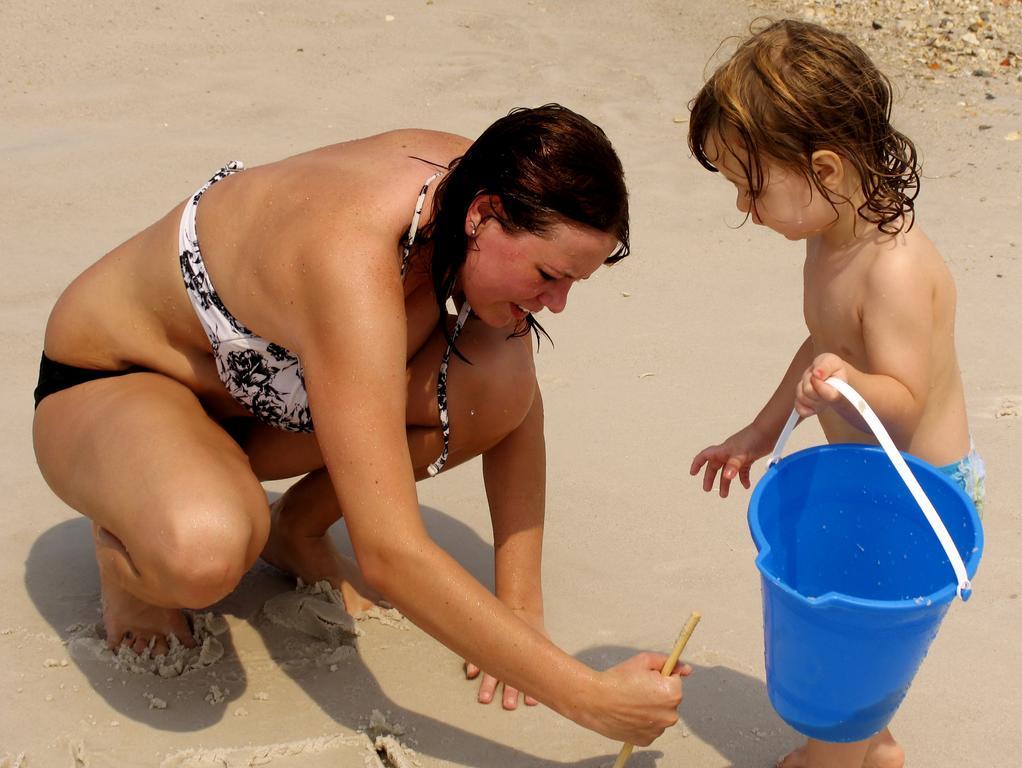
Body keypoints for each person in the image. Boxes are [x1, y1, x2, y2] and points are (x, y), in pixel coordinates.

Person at [32, 104, 690, 745]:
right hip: (119, 384)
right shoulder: (353, 254)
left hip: (260, 402)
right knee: (205, 552)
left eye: (572, 282)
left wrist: (520, 616)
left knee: (499, 376)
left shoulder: (494, 183)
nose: (558, 302)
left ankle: (294, 527)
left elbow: (518, 408)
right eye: (549, 275)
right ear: (485, 214)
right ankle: (129, 542)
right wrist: (586, 698)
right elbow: (390, 552)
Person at [685, 20, 985, 768]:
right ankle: (874, 750)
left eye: (752, 187)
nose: (745, 209)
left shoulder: (894, 270)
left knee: (845, 644)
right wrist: (761, 431)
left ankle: (835, 758)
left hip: (920, 494)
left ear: (826, 168)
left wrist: (849, 382)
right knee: (846, 635)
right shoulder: (831, 237)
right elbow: (822, 346)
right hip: (866, 477)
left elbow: (905, 399)